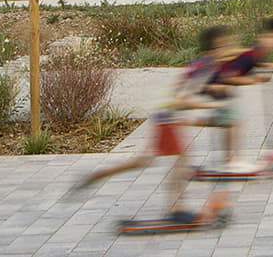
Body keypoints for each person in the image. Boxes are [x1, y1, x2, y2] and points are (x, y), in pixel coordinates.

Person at [79, 26, 235, 221]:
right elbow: (183, 98)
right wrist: (212, 104)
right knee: (182, 158)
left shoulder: (203, 66)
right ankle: (175, 209)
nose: (228, 50)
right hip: (168, 116)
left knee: (145, 161)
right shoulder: (204, 67)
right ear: (214, 49)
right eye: (224, 46)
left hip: (166, 115)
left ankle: (95, 176)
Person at [206, 18, 273, 172]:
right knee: (233, 121)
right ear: (264, 38)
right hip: (217, 86)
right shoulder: (254, 53)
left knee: (232, 121)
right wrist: (256, 79)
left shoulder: (257, 53)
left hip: (222, 87)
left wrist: (266, 67)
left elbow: (253, 65)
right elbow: (229, 76)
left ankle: (230, 158)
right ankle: (231, 160)